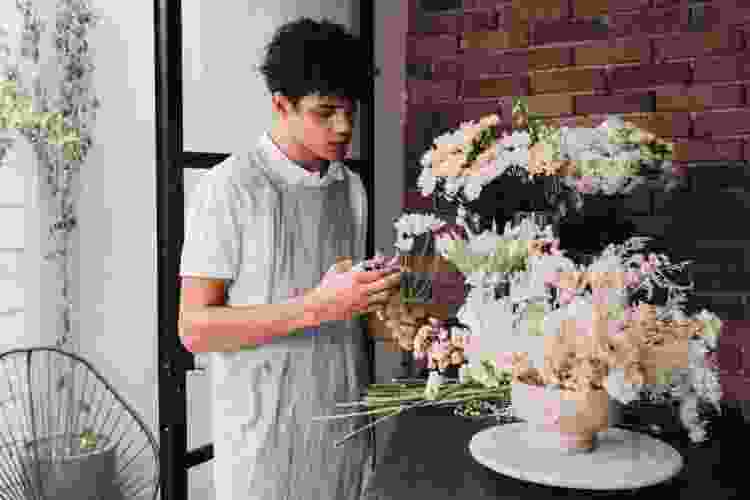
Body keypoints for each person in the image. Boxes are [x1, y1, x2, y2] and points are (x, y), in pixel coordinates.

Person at [178, 17, 399, 500]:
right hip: (264, 441)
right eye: (325, 113)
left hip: (343, 425)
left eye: (350, 111)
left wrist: (377, 297)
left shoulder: (349, 187)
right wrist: (318, 305)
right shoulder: (229, 188)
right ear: (281, 105)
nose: (344, 128)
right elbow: (194, 329)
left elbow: (347, 309)